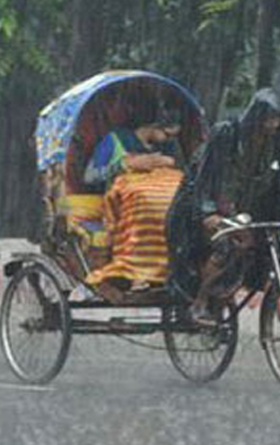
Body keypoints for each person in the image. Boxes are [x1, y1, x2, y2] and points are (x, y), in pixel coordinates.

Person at [167, 88, 280, 322]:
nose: (272, 126)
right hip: (198, 207)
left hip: (242, 211)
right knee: (227, 244)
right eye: (269, 119)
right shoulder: (226, 134)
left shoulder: (275, 142)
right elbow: (205, 177)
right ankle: (201, 300)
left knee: (265, 245)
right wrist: (208, 213)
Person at [82, 109, 186, 300]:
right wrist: (126, 165)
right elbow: (90, 177)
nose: (168, 140)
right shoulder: (115, 140)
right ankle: (134, 272)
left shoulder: (168, 146)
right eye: (167, 134)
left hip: (160, 202)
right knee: (141, 219)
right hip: (125, 203)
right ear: (153, 126)